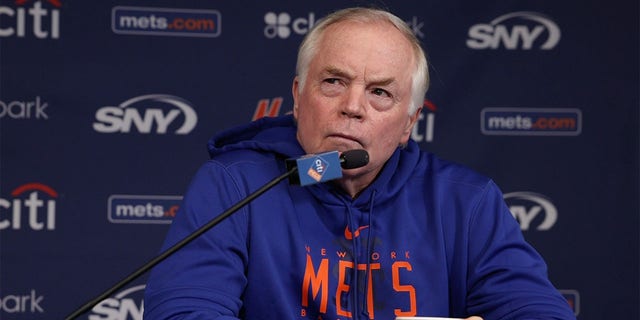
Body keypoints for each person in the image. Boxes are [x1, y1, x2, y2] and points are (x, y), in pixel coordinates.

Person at [143, 7, 576, 320]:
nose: (352, 107)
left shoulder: (465, 202)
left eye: (380, 93)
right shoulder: (237, 186)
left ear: (409, 123)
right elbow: (183, 310)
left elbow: (538, 310)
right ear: (297, 97)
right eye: (334, 82)